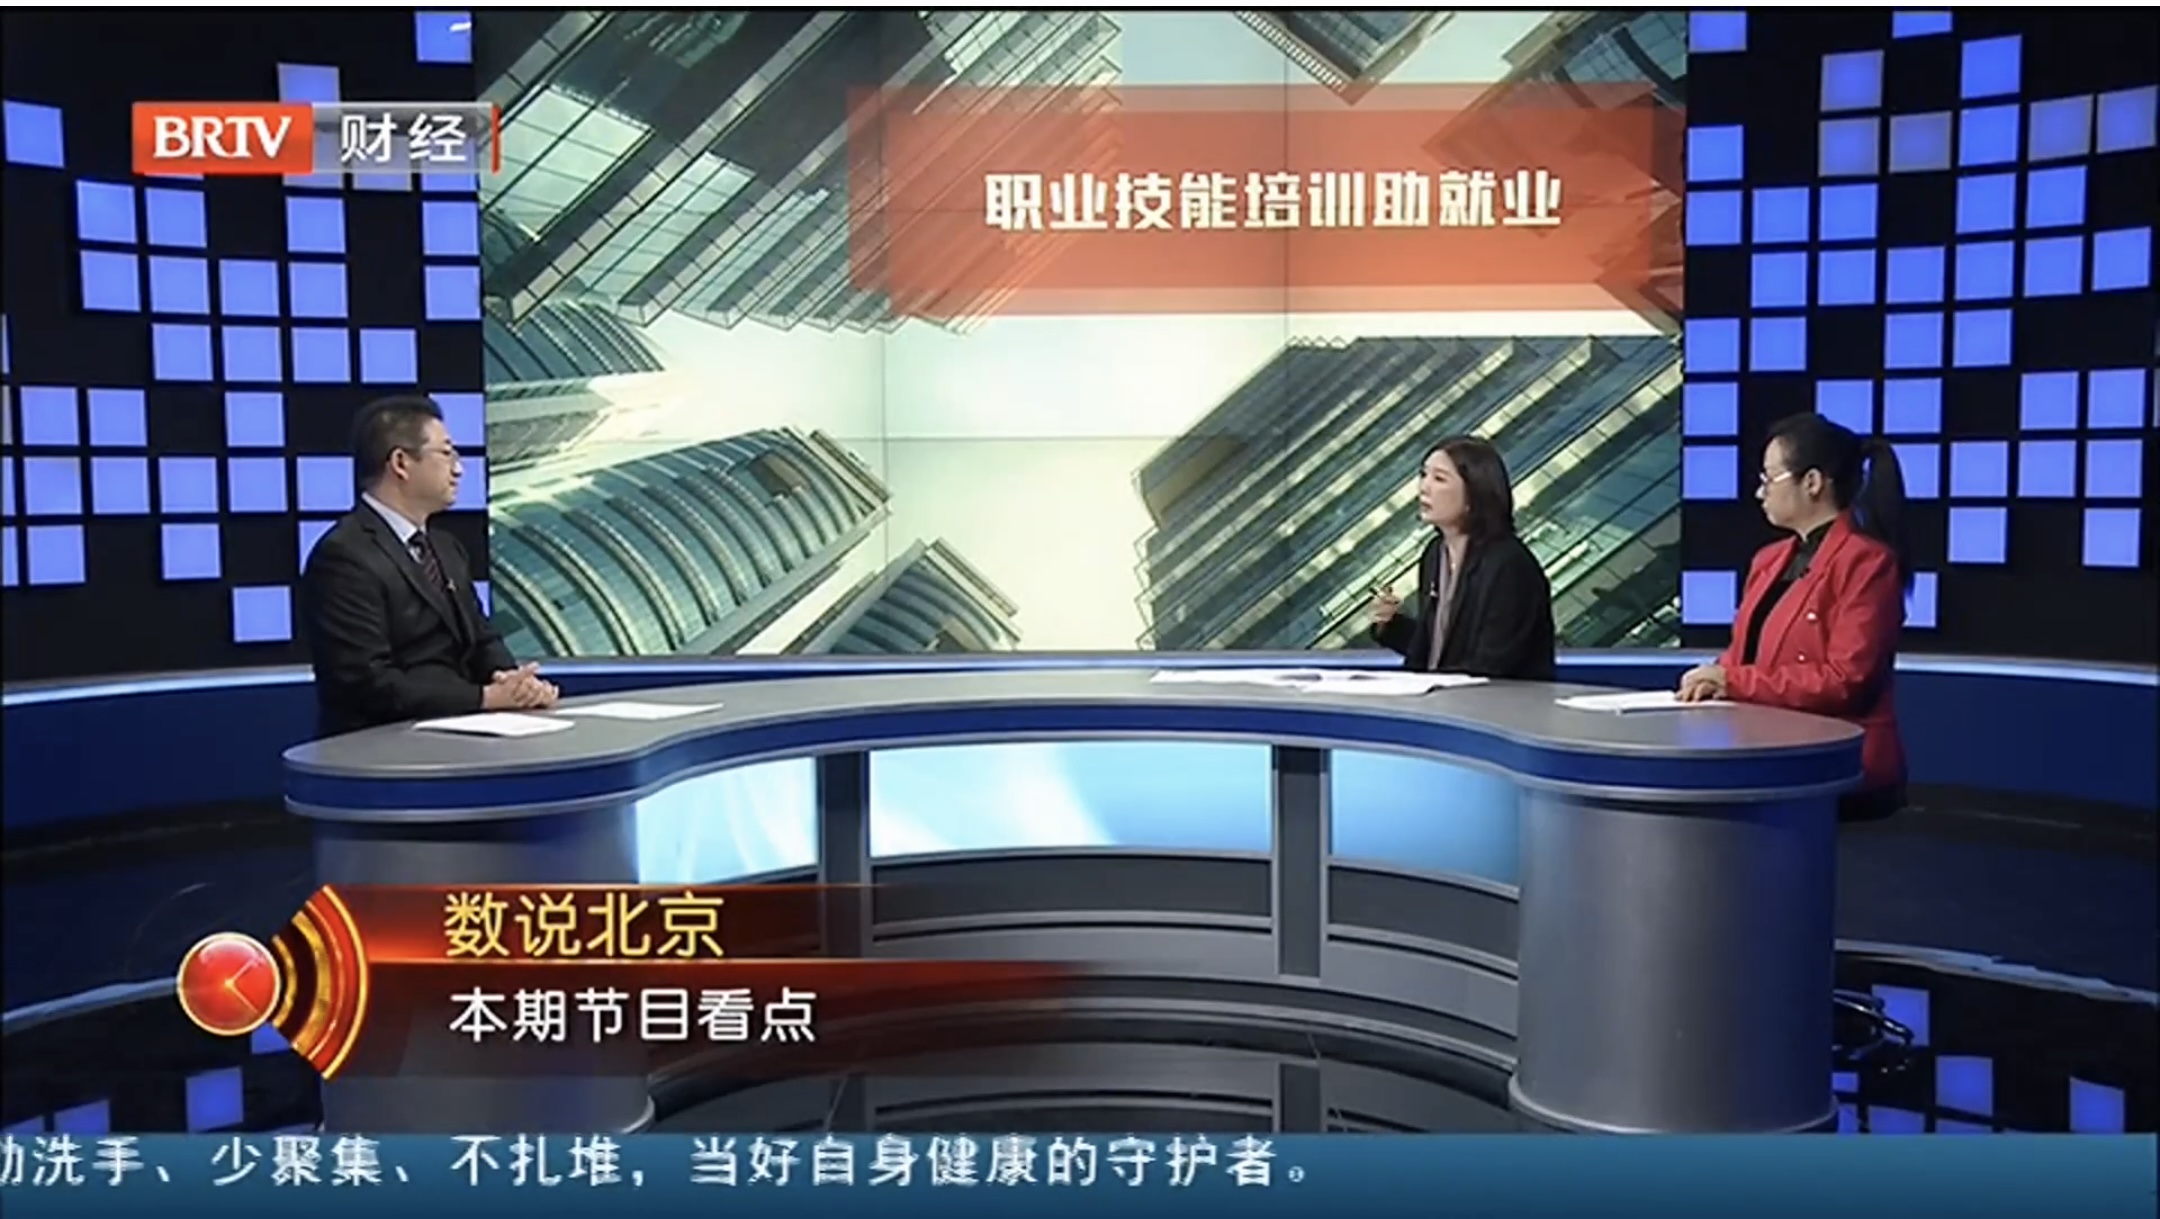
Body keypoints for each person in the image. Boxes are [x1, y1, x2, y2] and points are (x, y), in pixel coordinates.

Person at [1678, 412, 1909, 821]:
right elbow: (1744, 654)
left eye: (1769, 478)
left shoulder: (1867, 562)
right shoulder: (1769, 560)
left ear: (1813, 482)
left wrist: (1732, 681)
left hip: (1835, 764)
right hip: (1765, 750)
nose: (1759, 492)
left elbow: (1845, 681)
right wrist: (1711, 678)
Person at [301, 394, 557, 736]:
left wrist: (516, 684)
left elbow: (481, 640)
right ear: (401, 463)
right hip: (381, 747)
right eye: (446, 453)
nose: (458, 469)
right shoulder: (344, 556)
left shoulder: (445, 547)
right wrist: (483, 698)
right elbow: (366, 683)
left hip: (464, 733)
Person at [1369, 436, 1557, 681]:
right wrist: (1390, 625)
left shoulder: (1509, 564)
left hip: (1497, 701)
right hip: (1447, 695)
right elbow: (1440, 647)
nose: (1424, 487)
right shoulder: (1435, 553)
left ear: (1474, 494)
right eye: (1424, 475)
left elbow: (1493, 663)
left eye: (1439, 479)